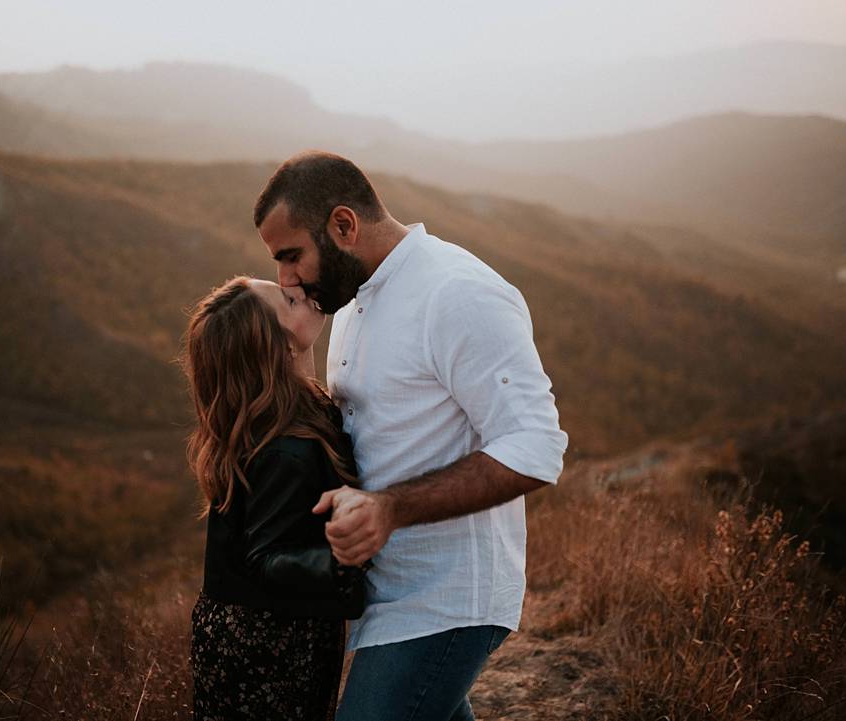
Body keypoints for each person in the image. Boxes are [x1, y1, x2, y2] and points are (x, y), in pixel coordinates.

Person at [253, 152, 568, 721]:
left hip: (447, 599)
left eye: (291, 255)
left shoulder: (457, 291)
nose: (286, 279)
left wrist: (389, 511)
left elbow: (535, 447)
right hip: (383, 598)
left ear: (343, 226)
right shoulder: (349, 307)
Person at [183, 275, 367, 721]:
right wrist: (341, 562)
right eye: (288, 299)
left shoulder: (283, 417)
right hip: (265, 640)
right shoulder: (285, 447)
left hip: (258, 625)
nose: (300, 288)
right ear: (278, 347)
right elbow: (265, 555)